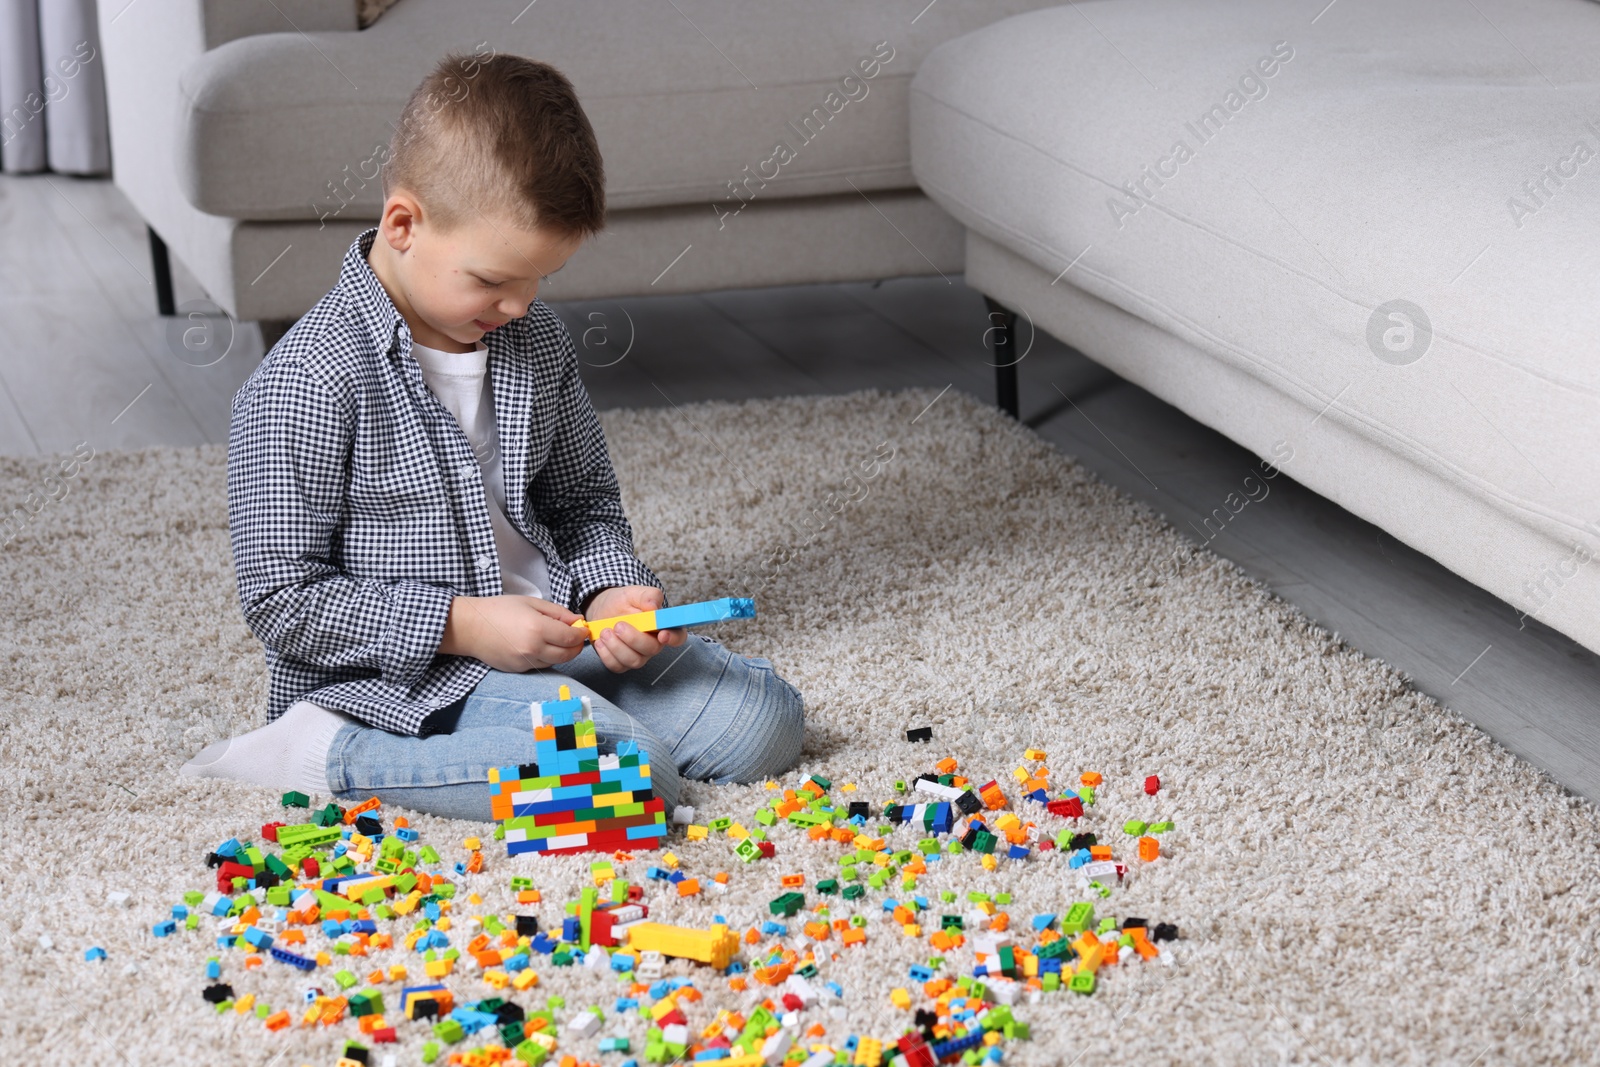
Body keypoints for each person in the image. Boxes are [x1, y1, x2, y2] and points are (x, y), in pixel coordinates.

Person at [181, 52, 805, 820]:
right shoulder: (306, 382)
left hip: (553, 640)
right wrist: (465, 624)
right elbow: (283, 600)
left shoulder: (533, 342)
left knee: (764, 720)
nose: (516, 304)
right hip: (406, 679)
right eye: (492, 281)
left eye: (538, 278)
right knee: (626, 782)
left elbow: (583, 502)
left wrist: (609, 589)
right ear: (403, 224)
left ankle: (575, 728)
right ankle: (325, 752)